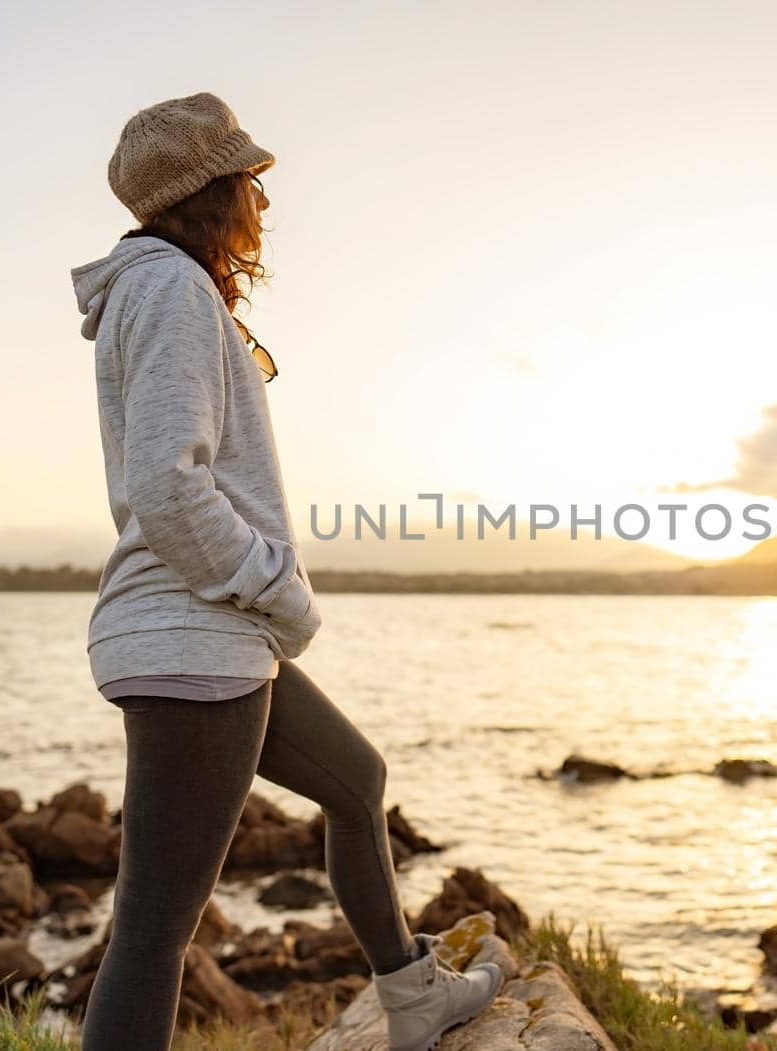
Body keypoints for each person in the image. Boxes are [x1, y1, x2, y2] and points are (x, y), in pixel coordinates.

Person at [69, 91, 503, 1051]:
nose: (262, 203)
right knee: (150, 935)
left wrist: (264, 606)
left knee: (356, 779)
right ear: (214, 193)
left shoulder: (159, 290)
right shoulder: (173, 292)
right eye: (249, 182)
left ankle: (411, 991)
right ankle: (411, 992)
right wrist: (279, 586)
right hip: (198, 638)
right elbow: (168, 487)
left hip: (208, 634)